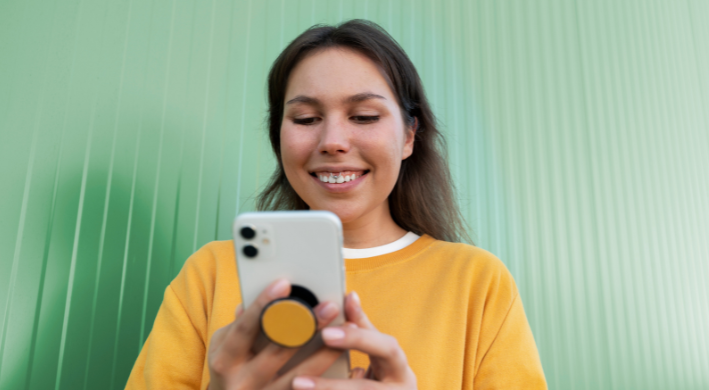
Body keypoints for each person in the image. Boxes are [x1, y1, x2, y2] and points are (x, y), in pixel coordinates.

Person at [125, 19, 546, 390]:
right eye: (306, 119)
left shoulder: (477, 284)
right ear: (279, 138)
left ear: (408, 136)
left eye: (364, 117)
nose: (332, 142)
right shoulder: (210, 275)